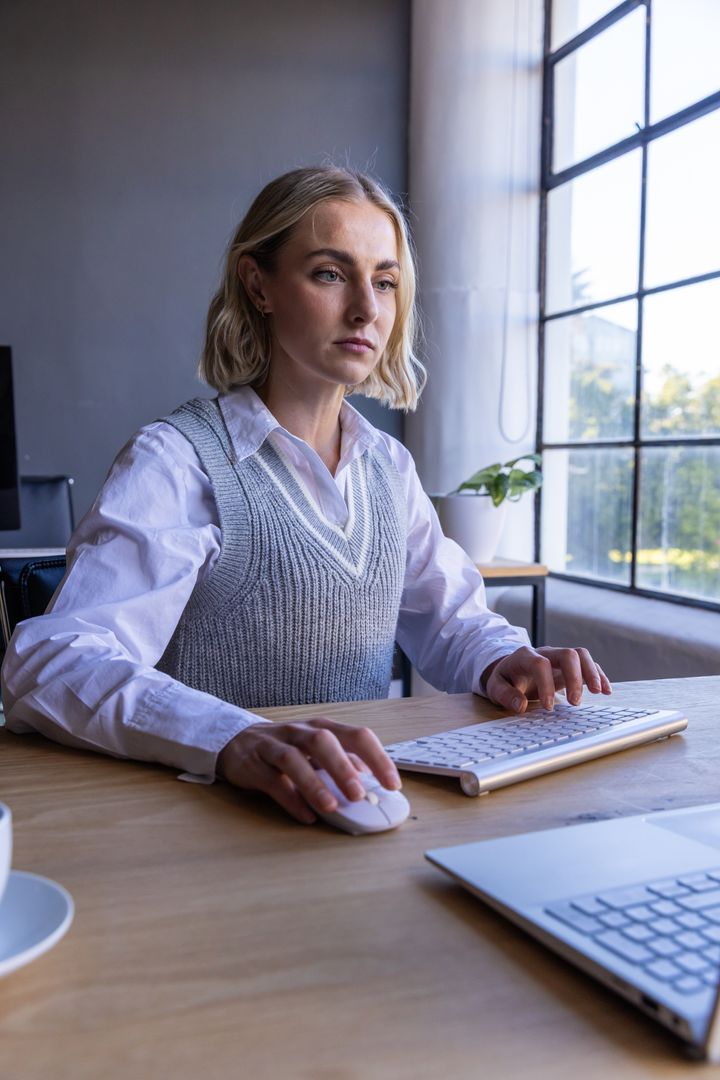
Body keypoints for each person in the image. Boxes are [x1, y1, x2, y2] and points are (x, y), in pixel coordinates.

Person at [1, 165, 611, 824]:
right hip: (207, 825)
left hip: (348, 808)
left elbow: (451, 620)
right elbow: (50, 663)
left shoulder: (389, 467)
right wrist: (231, 737)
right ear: (257, 284)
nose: (367, 309)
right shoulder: (178, 461)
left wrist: (503, 661)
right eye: (329, 273)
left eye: (384, 281)